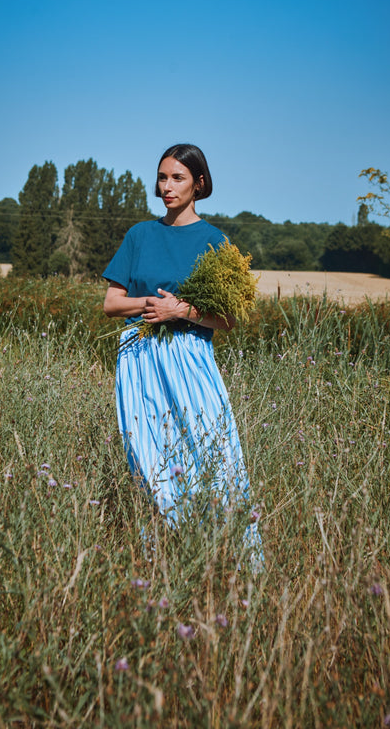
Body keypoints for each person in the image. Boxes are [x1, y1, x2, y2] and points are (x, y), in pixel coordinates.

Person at [102, 143, 262, 570]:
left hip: (190, 357)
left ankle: (229, 558)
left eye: (178, 178)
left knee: (213, 451)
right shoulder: (140, 235)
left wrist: (181, 311)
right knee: (147, 455)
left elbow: (228, 320)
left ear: (200, 184)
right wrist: (150, 308)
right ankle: (159, 560)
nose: (167, 187)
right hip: (138, 356)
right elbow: (111, 304)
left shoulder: (214, 240)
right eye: (162, 177)